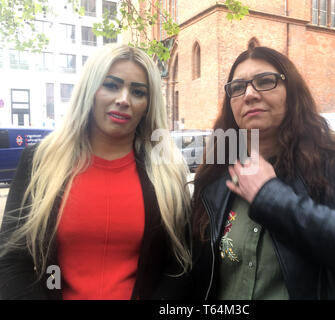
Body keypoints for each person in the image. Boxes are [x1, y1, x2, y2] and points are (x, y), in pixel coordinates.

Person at [191, 46, 335, 300]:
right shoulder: (215, 174)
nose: (249, 94)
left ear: (292, 92)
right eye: (237, 87)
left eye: (265, 81)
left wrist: (270, 196)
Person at [0, 44, 192, 300]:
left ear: (148, 103)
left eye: (137, 91)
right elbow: (11, 260)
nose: (124, 99)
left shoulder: (167, 172)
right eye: (111, 85)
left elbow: (179, 265)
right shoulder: (39, 162)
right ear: (89, 90)